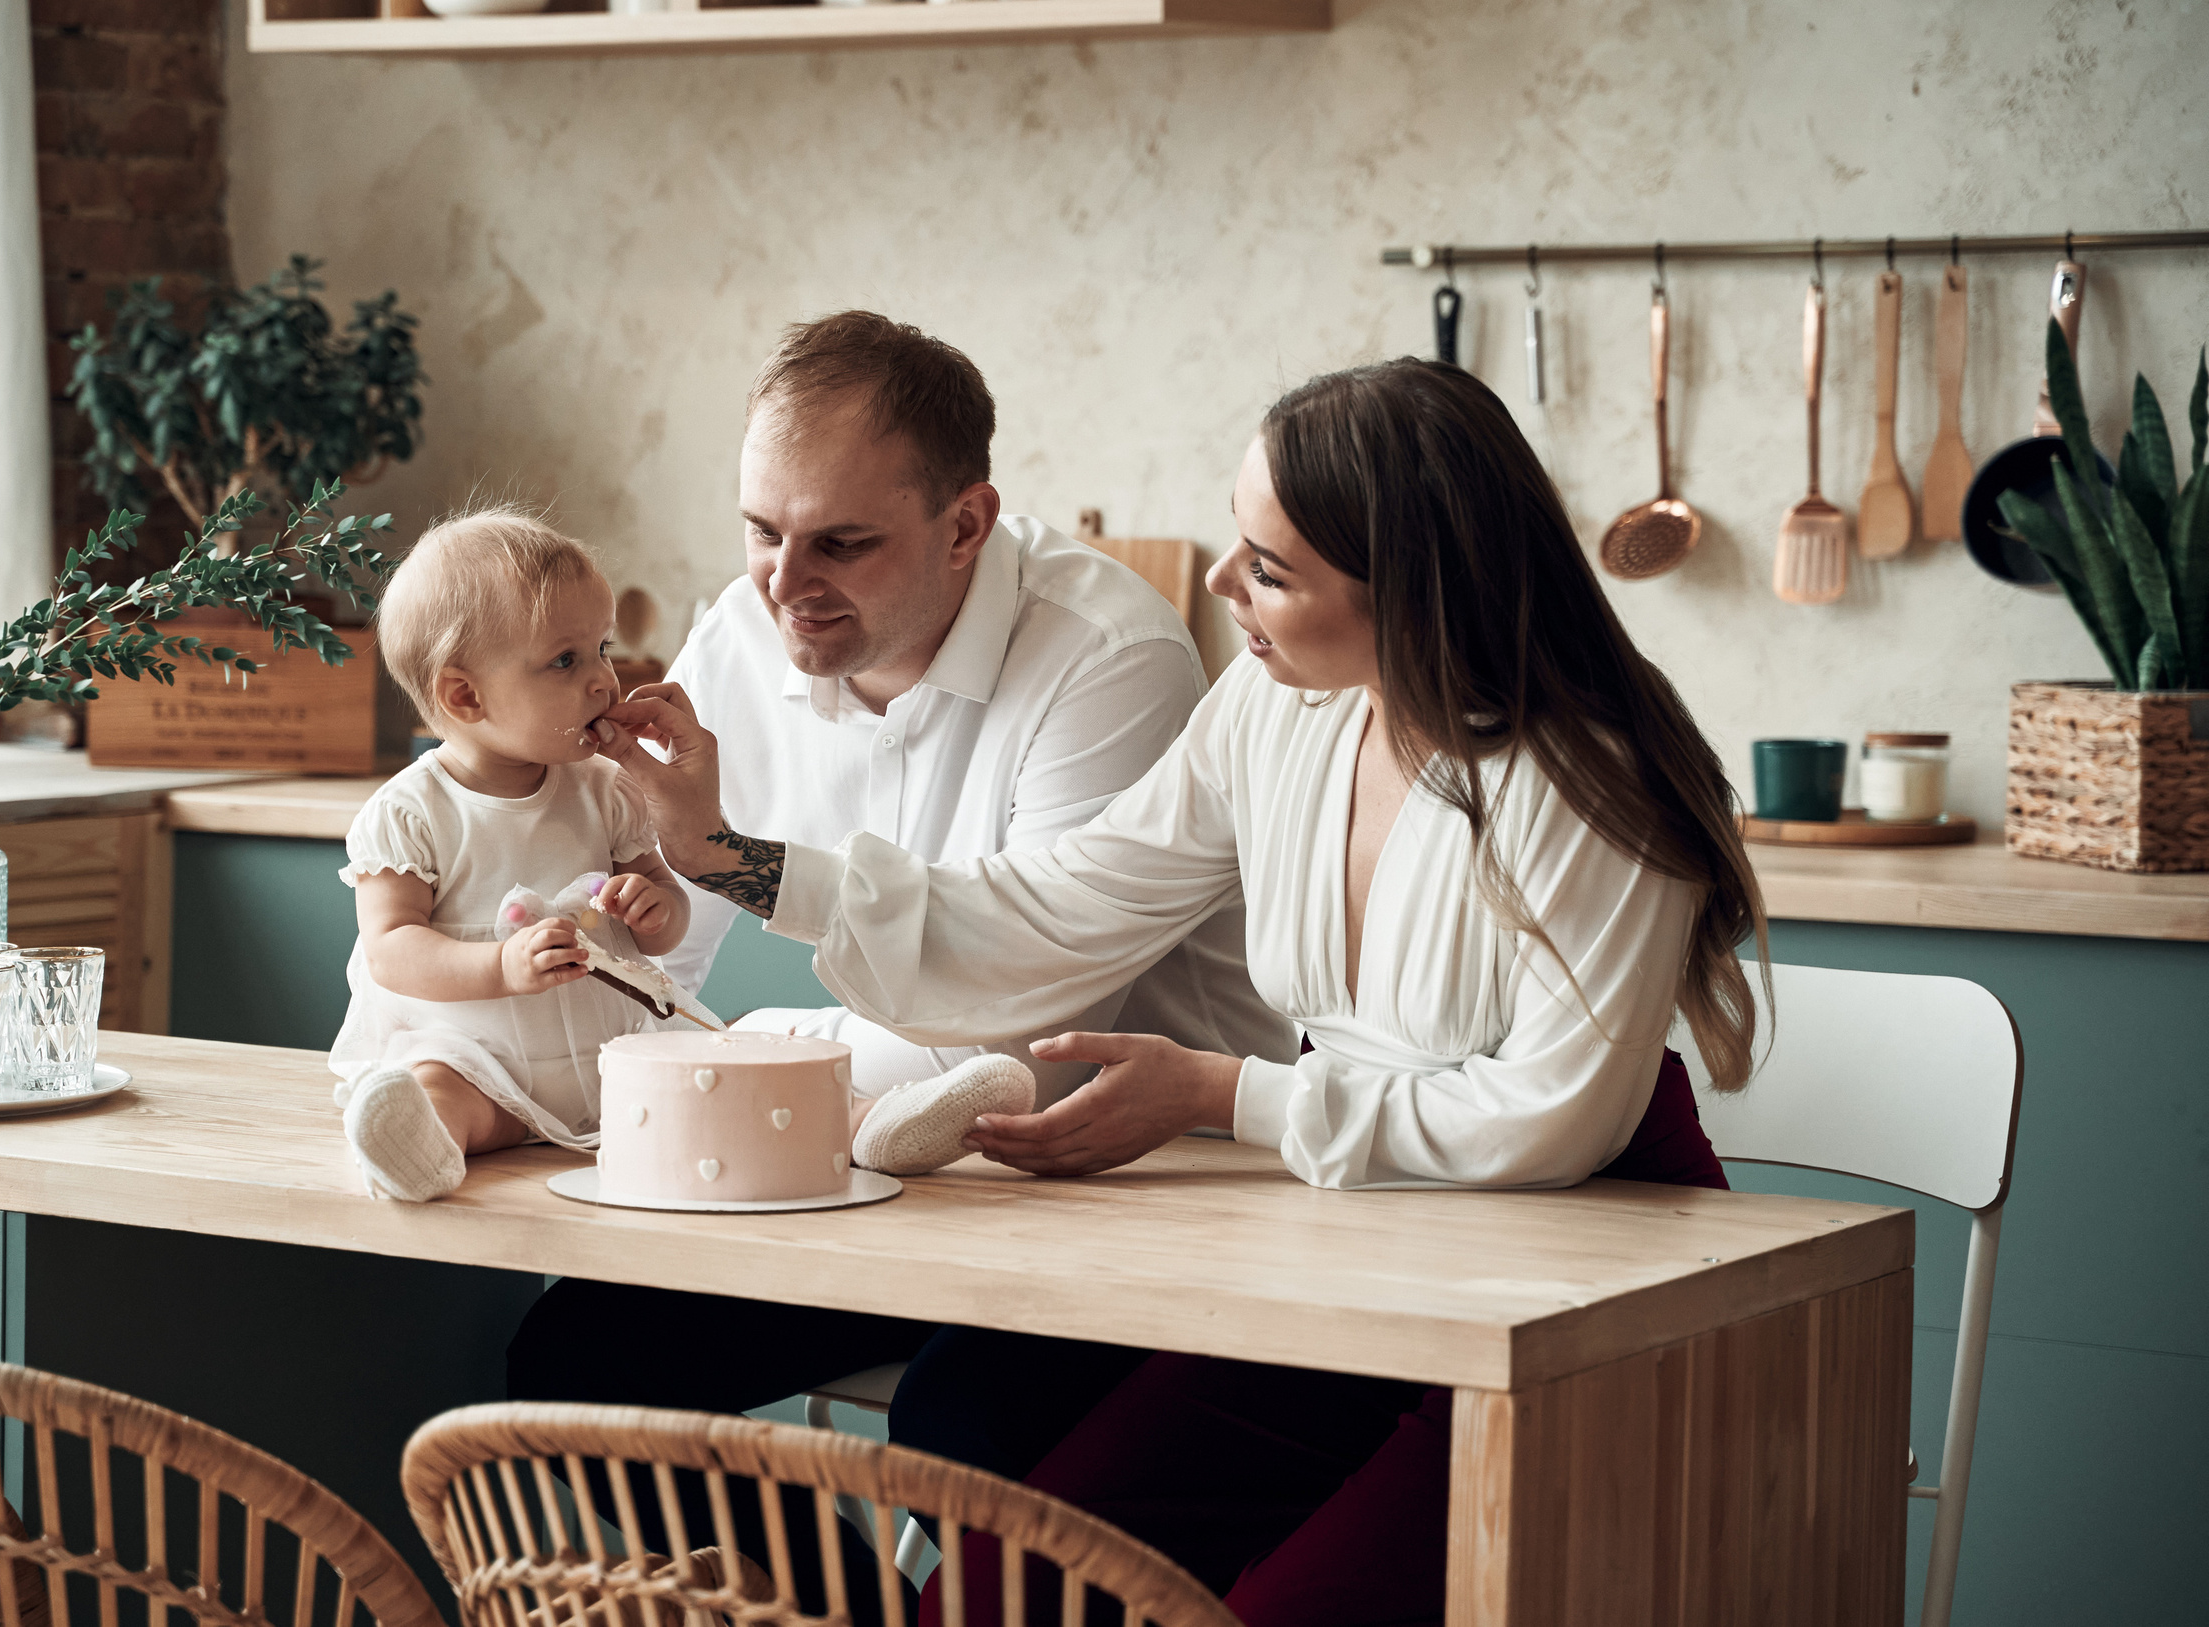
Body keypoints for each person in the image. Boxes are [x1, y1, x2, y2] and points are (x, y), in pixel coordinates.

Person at [594, 358, 1764, 1626]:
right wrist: (730, 858)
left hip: (1575, 1291)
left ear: (1409, 592)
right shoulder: (1273, 707)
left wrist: (1224, 1096)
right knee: (999, 1598)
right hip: (1358, 1248)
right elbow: (1058, 908)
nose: (1217, 584)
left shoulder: (1592, 781)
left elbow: (1552, 1122)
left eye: (1269, 570)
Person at [503, 313, 1292, 1620]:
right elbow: (654, 960)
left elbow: (1025, 1038)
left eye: (841, 542)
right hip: (864, 1180)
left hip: (1125, 1196)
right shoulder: (742, 637)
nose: (784, 582)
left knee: (959, 1425)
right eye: (762, 530)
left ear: (966, 523)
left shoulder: (1109, 657)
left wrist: (740, 1038)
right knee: (573, 1362)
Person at [324, 509, 693, 1202]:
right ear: (465, 696)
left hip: (609, 1061)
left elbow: (666, 919)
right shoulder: (412, 812)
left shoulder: (605, 789)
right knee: (438, 1087)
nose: (604, 681)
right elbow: (391, 950)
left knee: (709, 1080)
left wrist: (657, 908)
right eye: (566, 660)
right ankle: (419, 1147)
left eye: (603, 648)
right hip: (479, 1063)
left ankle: (859, 1125)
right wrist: (501, 966)